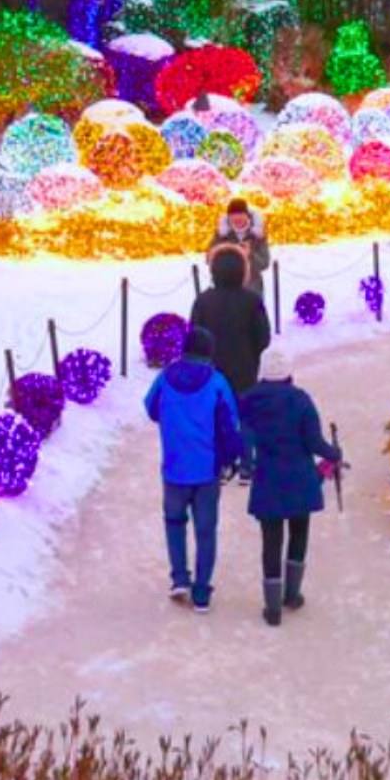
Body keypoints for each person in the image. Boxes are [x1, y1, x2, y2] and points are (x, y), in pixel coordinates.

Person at [237, 345, 344, 627]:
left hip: (267, 480)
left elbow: (242, 438)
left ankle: (272, 608)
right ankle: (292, 594)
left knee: (270, 542)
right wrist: (334, 454)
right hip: (299, 478)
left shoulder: (247, 401)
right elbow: (314, 442)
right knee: (299, 533)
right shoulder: (300, 400)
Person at [145, 325, 243, 610]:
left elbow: (151, 408)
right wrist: (233, 459)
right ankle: (201, 592)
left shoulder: (164, 378)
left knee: (174, 523)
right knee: (205, 529)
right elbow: (231, 422)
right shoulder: (216, 382)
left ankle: (179, 578)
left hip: (174, 467)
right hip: (207, 469)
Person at [190, 245, 271, 401]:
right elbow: (263, 339)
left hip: (211, 373)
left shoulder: (203, 301)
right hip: (245, 372)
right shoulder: (252, 301)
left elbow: (194, 336)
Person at [207, 199, 271, 299]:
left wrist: (250, 254)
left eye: (240, 214)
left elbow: (264, 263)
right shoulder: (221, 235)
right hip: (225, 291)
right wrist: (228, 251)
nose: (237, 219)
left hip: (252, 291)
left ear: (247, 215)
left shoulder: (257, 234)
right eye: (233, 216)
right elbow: (209, 259)